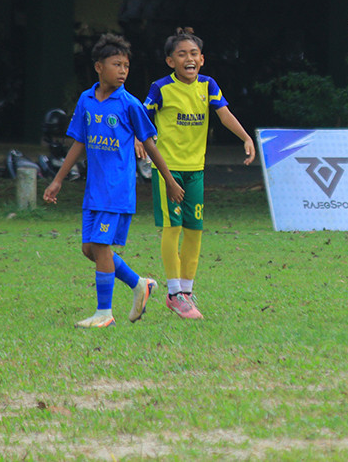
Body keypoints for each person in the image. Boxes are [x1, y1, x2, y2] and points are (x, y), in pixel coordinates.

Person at [43, 33, 185, 329]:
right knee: (90, 250)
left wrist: (169, 180)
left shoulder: (130, 104)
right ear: (99, 67)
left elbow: (150, 143)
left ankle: (104, 312)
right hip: (94, 190)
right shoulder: (86, 100)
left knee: (101, 246)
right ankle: (139, 284)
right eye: (116, 64)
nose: (123, 70)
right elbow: (79, 142)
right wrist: (57, 180)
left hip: (117, 189)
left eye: (126, 66)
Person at [136, 27, 255, 320]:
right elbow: (142, 117)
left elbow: (224, 113)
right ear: (170, 61)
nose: (189, 59)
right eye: (181, 54)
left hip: (195, 170)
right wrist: (138, 139)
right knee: (172, 229)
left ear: (202, 59)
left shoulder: (208, 85)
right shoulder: (160, 88)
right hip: (168, 169)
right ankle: (174, 293)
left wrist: (245, 137)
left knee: (194, 230)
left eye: (193, 54)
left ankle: (186, 292)